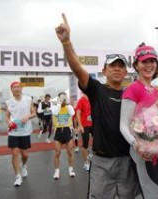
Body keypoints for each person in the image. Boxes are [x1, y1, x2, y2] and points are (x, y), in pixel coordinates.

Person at [55, 13, 140, 198]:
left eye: (121, 66)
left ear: (126, 71)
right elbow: (77, 68)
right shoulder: (97, 90)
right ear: (104, 71)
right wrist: (66, 43)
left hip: (129, 159)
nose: (117, 69)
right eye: (112, 66)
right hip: (102, 162)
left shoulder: (132, 94)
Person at [120, 43, 158, 199]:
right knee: (153, 194)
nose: (149, 65)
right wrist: (136, 145)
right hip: (143, 153)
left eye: (152, 61)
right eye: (144, 62)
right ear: (136, 65)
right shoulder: (132, 89)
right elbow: (124, 125)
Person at [5, 81, 36, 187]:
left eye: (18, 87)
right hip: (13, 132)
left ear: (21, 89)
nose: (17, 89)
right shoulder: (8, 102)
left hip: (25, 131)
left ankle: (24, 165)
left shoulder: (28, 100)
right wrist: (8, 122)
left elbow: (34, 113)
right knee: (15, 153)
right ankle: (18, 176)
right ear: (12, 89)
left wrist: (27, 117)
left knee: (25, 155)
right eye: (14, 87)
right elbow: (7, 116)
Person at [52, 92, 76, 179]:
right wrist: (59, 103)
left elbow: (72, 113)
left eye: (64, 98)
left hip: (67, 130)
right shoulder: (55, 107)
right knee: (57, 152)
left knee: (70, 151)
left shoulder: (69, 107)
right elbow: (55, 113)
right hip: (58, 130)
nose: (63, 100)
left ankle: (71, 169)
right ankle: (57, 171)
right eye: (61, 98)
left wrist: (68, 104)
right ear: (58, 98)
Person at [76, 93, 93, 171]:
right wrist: (80, 125)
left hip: (93, 124)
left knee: (98, 141)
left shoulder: (93, 99)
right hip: (85, 125)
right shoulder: (81, 101)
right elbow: (78, 113)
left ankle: (91, 155)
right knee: (85, 144)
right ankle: (86, 162)